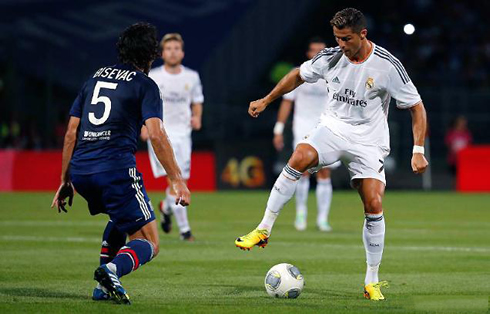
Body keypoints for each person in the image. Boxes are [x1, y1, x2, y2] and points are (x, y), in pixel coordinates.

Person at [235, 8, 428, 301]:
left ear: (363, 34)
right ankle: (263, 229)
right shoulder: (330, 56)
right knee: (299, 156)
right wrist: (266, 99)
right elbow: (297, 75)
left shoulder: (387, 66)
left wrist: (418, 150)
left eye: (347, 39)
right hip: (333, 128)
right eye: (337, 38)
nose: (341, 44)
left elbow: (416, 106)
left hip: (369, 140)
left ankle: (371, 281)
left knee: (373, 204)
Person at [51, 23, 191, 305]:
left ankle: (102, 289)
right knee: (149, 243)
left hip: (81, 171)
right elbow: (156, 133)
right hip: (115, 170)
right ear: (152, 54)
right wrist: (176, 179)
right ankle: (112, 270)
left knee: (120, 217)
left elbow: (71, 132)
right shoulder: (145, 85)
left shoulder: (94, 78)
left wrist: (66, 181)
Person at [141, 33, 203, 241]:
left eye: (176, 48)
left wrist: (197, 117)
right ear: (162, 53)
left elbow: (197, 100)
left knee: (179, 181)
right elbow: (142, 102)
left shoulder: (192, 77)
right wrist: (143, 125)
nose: (173, 52)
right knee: (174, 180)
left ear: (182, 53)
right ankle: (185, 230)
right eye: (169, 48)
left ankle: (166, 208)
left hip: (183, 134)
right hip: (160, 134)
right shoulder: (153, 76)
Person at [273, 37, 339, 232]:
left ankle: (322, 218)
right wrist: (278, 129)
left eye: (322, 50)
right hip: (302, 127)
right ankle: (301, 214)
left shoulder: (334, 74)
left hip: (326, 126)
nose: (318, 53)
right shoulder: (299, 73)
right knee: (300, 172)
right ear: (308, 54)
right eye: (314, 50)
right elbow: (287, 102)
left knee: (325, 172)